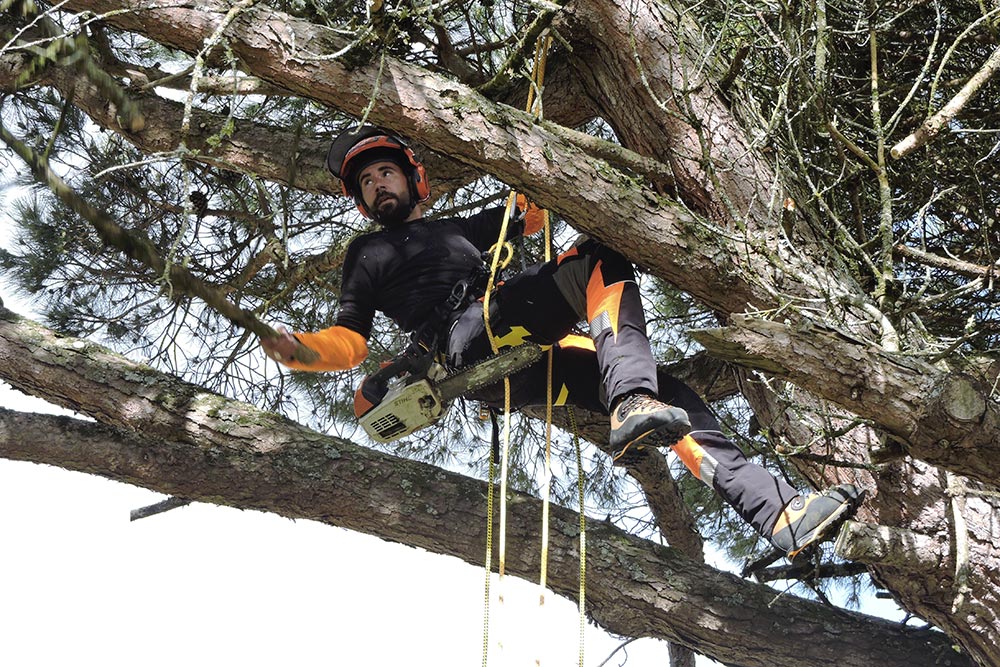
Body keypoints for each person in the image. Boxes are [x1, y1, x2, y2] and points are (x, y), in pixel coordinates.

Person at [261, 125, 861, 558]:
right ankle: (631, 398)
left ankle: (777, 511)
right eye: (366, 182)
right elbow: (351, 340)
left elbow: (531, 215)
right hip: (471, 336)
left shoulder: (460, 226)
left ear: (414, 178)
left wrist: (535, 150)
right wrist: (302, 350)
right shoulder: (367, 253)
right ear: (360, 200)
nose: (377, 185)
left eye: (385, 171)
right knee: (599, 261)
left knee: (671, 396)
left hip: (518, 360)